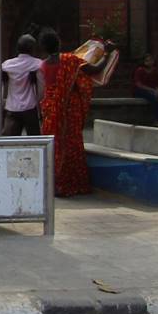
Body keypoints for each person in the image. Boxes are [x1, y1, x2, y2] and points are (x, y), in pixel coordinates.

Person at [38, 28, 117, 197]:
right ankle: (72, 184)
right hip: (69, 111)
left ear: (43, 47)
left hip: (51, 111)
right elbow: (95, 70)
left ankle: (54, 184)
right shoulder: (70, 60)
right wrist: (106, 54)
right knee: (72, 146)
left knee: (54, 146)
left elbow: (44, 90)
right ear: (59, 43)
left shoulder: (43, 65)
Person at [0, 33, 45, 136]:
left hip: (12, 107)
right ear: (32, 49)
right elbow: (41, 89)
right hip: (30, 107)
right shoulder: (37, 64)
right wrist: (38, 101)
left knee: (11, 140)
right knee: (34, 139)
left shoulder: (7, 64)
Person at [131, 52, 158, 127]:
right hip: (140, 91)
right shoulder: (140, 70)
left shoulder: (154, 71)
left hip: (152, 90)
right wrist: (153, 90)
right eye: (147, 60)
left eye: (151, 60)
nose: (149, 62)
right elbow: (139, 85)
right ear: (144, 61)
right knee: (154, 99)